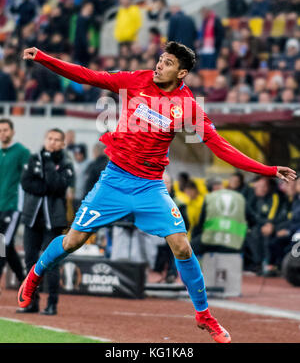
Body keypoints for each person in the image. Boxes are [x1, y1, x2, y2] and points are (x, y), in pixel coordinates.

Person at [18, 42, 296, 344]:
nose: (159, 65)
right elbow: (89, 75)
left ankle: (204, 315)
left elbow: (221, 147)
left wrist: (267, 170)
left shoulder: (188, 106)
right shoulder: (136, 80)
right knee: (73, 241)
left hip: (150, 187)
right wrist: (44, 58)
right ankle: (35, 275)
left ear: (182, 72)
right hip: (114, 181)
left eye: (167, 63)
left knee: (181, 246)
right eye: (160, 60)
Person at [18, 128, 74, 315]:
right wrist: (46, 186)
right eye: (49, 138)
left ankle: (52, 303)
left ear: (63, 143)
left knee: (51, 262)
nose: (52, 142)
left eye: (57, 139)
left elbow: (58, 186)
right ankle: (31, 302)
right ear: (45, 139)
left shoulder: (66, 163)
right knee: (30, 260)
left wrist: (49, 163)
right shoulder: (34, 158)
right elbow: (26, 183)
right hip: (32, 218)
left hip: (54, 220)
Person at [0, 119, 30, 285]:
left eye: (5, 130)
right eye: (0, 130)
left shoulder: (21, 152)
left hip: (13, 206)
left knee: (2, 244)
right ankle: (24, 282)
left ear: (12, 131)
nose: (3, 133)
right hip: (0, 204)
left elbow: (28, 176)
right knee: (7, 246)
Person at [191, 177, 247, 256]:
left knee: (188, 249)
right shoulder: (239, 197)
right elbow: (252, 219)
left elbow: (200, 224)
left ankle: (175, 268)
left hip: (212, 242)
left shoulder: (209, 198)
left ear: (213, 188)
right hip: (236, 244)